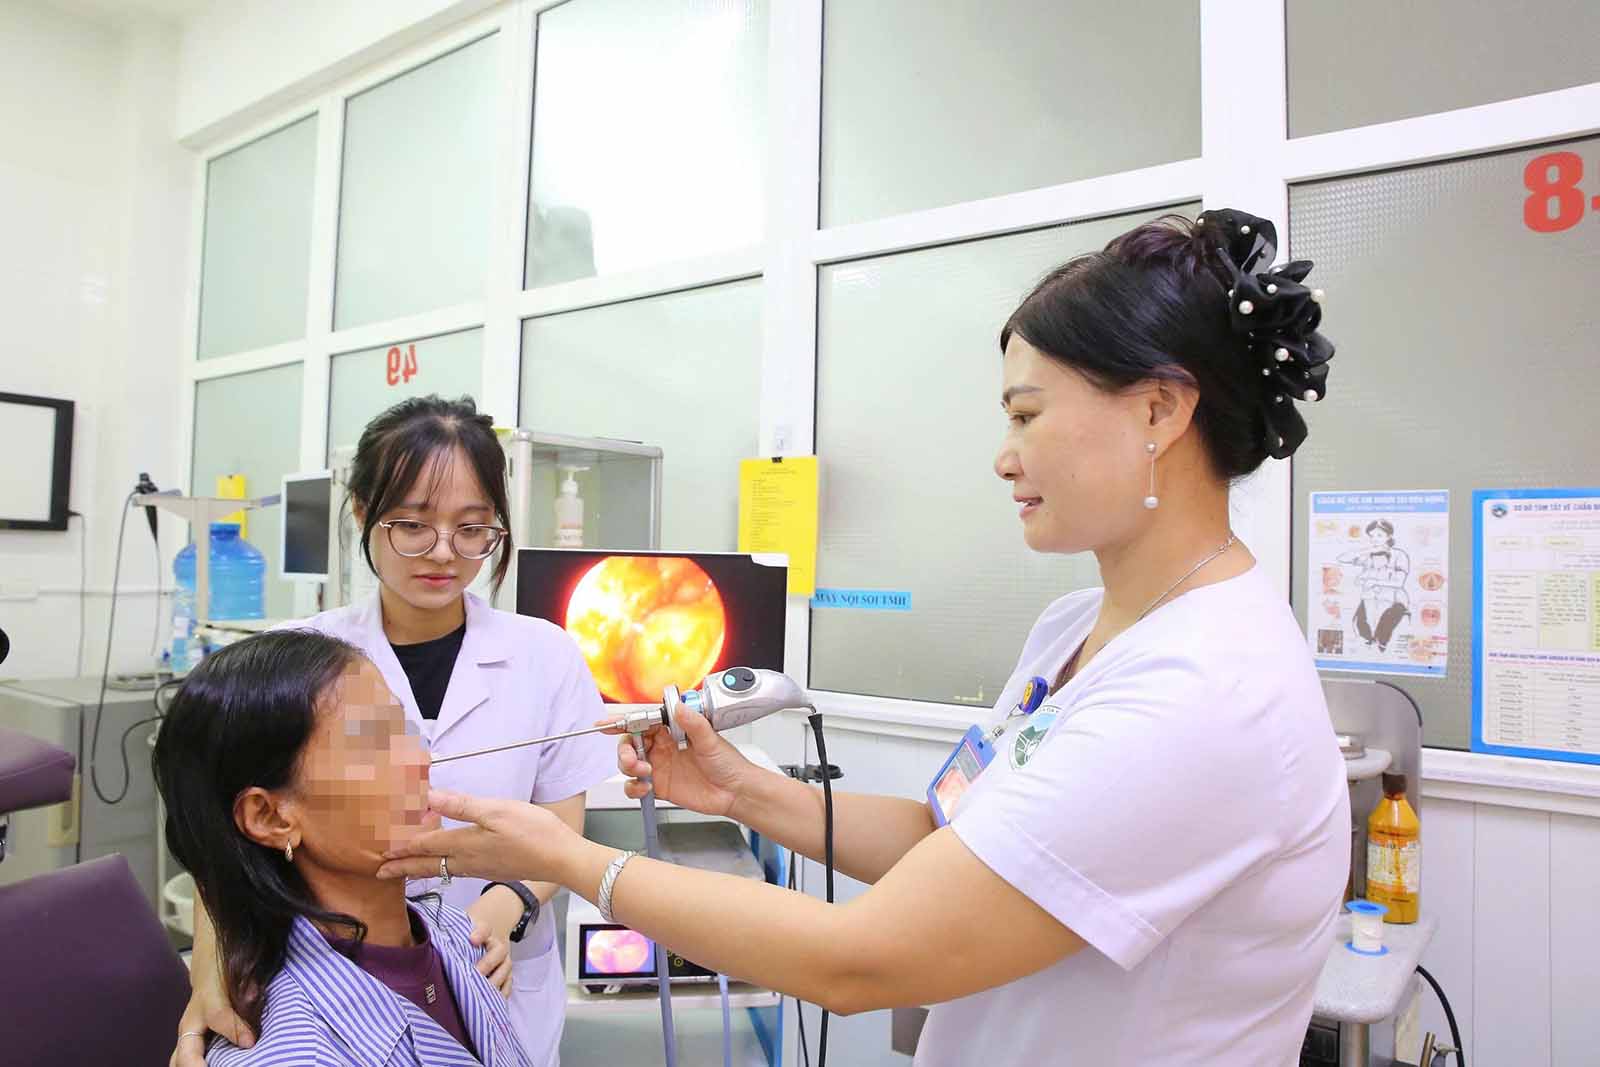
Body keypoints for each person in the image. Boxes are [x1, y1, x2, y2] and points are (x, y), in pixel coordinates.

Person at [376, 211, 1352, 1065]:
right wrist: (748, 793)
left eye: (1026, 412)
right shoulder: (1077, 629)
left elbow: (860, 958)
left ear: (1159, 408)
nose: (1004, 456)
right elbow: (952, 838)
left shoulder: (1204, 693)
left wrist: (569, 860)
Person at [173, 396, 616, 1067]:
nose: (444, 552)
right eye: (412, 524)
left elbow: (561, 827)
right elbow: (221, 837)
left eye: (473, 529)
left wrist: (504, 905)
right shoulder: (299, 659)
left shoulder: (545, 655)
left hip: (488, 977)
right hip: (335, 995)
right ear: (361, 512)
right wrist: (209, 974)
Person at [151, 630, 536, 1066]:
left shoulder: (457, 938)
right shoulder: (295, 1053)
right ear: (271, 818)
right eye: (371, 744)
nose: (420, 761)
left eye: (403, 731)